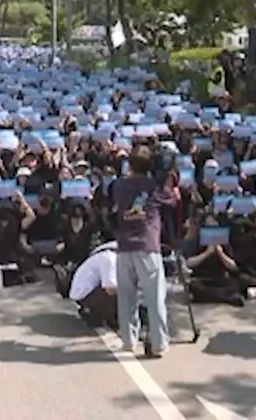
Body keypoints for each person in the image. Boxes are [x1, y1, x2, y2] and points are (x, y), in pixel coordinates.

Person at [111, 146, 179, 358]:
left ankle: (128, 341)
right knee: (154, 297)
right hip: (147, 246)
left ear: (129, 164)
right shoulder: (154, 187)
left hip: (123, 247)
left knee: (126, 297)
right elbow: (174, 200)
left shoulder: (119, 185)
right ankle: (159, 343)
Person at [67, 236, 119, 329]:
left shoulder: (106, 253)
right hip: (84, 294)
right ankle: (96, 315)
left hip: (85, 291)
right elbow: (110, 289)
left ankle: (96, 313)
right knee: (120, 293)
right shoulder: (109, 258)